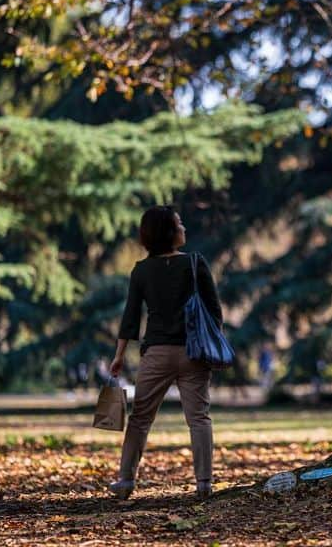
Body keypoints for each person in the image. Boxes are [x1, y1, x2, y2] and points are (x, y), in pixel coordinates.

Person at [108, 206, 223, 500]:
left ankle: (125, 480)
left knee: (140, 418)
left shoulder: (141, 270)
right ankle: (204, 483)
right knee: (199, 418)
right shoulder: (196, 263)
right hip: (193, 353)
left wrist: (119, 356)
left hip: (156, 353)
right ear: (169, 232)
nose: (184, 228)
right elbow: (214, 311)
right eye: (179, 223)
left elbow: (131, 317)